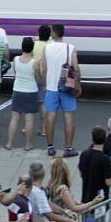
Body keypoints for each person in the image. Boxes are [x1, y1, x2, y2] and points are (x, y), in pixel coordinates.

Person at [41, 23, 81, 157]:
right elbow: (75, 68)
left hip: (51, 87)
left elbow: (44, 68)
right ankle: (68, 148)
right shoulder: (71, 48)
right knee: (68, 116)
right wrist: (78, 85)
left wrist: (46, 83)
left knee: (50, 116)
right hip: (67, 87)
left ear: (53, 33)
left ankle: (50, 147)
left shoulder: (46, 48)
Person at [77, 126, 111, 222]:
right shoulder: (105, 159)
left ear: (91, 139)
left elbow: (81, 173)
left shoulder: (84, 154)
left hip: (86, 201)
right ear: (105, 139)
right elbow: (109, 182)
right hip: (99, 204)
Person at [6, 37, 40, 151]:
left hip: (17, 90)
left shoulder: (15, 59)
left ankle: (10, 143)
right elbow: (37, 77)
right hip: (31, 91)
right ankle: (27, 145)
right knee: (29, 119)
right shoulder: (35, 62)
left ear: (22, 47)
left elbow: (16, 73)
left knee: (14, 118)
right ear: (32, 48)